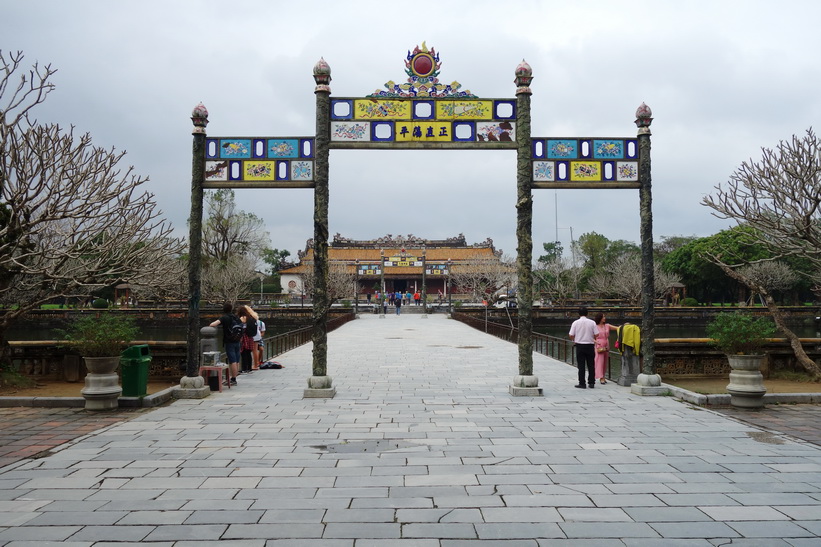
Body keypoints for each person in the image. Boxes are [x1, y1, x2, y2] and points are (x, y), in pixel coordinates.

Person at [209, 302, 240, 386]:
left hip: (229, 341)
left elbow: (213, 324)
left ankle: (233, 379)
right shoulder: (236, 317)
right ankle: (234, 377)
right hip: (237, 340)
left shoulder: (224, 318)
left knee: (232, 360)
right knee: (236, 360)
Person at [569, 306, 598, 389]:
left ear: (579, 313)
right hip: (589, 345)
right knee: (591, 364)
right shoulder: (592, 322)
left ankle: (582, 383)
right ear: (587, 313)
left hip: (580, 345)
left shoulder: (575, 323)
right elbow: (597, 334)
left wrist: (574, 339)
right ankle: (591, 382)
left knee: (581, 365)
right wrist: (591, 337)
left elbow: (571, 334)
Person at [593, 312, 619, 384]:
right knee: (599, 361)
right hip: (599, 344)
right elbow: (590, 336)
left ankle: (603, 375)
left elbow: (617, 328)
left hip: (606, 343)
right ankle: (601, 377)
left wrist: (625, 326)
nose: (604, 318)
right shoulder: (595, 327)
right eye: (603, 317)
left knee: (605, 361)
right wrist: (595, 341)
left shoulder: (607, 326)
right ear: (600, 318)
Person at [237, 305, 258, 374]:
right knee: (248, 352)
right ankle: (249, 368)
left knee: (243, 353)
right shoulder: (251, 318)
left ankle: (244, 368)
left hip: (244, 337)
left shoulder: (242, 318)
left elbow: (242, 328)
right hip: (250, 337)